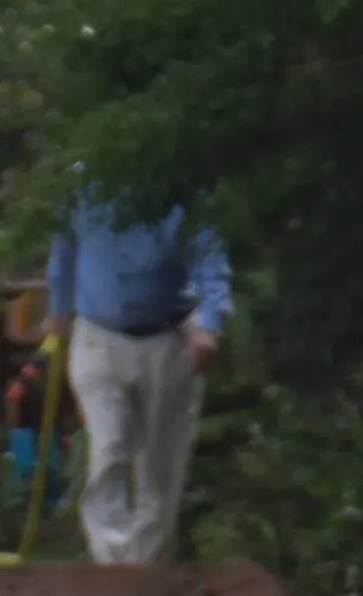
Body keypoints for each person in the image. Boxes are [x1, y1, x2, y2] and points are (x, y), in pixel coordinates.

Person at [47, 198, 232, 565]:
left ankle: (147, 567)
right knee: (110, 445)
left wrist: (210, 326)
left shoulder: (181, 190)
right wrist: (58, 307)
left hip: (169, 338)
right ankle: (112, 563)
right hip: (98, 335)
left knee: (160, 468)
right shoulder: (84, 186)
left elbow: (210, 261)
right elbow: (63, 248)